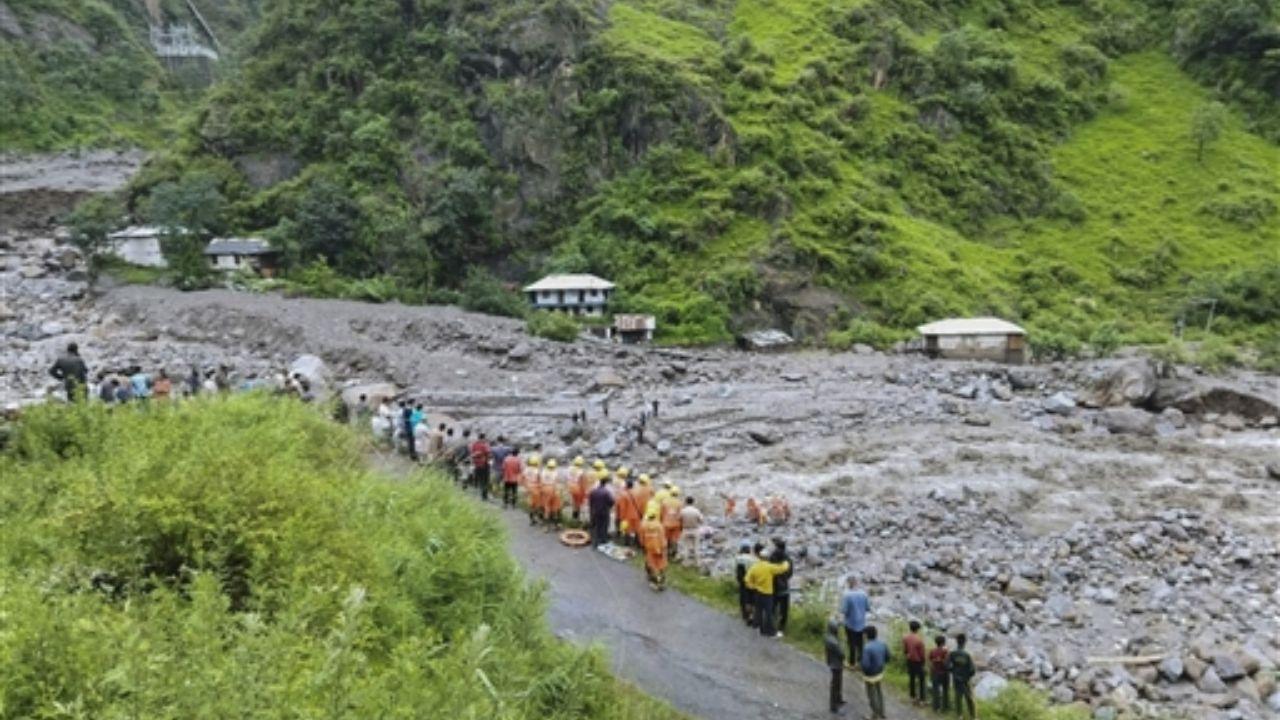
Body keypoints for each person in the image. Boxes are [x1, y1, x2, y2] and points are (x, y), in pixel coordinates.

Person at [745, 548, 790, 637]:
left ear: (759, 557)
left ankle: (757, 626)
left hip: (757, 592)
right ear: (767, 558)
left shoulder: (754, 567)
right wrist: (786, 562)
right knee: (768, 613)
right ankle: (769, 631)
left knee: (758, 610)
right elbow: (781, 569)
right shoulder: (769, 567)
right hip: (767, 593)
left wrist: (752, 587)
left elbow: (747, 579)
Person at [839, 576, 871, 668]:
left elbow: (844, 610)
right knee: (860, 644)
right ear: (856, 583)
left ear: (849, 583)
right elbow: (868, 608)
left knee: (851, 644)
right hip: (862, 623)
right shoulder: (864, 594)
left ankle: (852, 663)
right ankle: (860, 662)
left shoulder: (847, 595)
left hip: (850, 623)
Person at [861, 626, 890, 720]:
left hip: (870, 675)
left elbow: (865, 665)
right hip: (880, 672)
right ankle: (882, 712)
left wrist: (863, 671)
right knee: (879, 692)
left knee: (871, 695)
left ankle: (874, 715)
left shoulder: (867, 648)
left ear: (866, 635)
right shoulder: (883, 644)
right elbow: (888, 657)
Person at [948, 633, 977, 720]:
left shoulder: (952, 653)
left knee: (958, 697)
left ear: (956, 642)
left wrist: (953, 671)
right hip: (965, 680)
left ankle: (959, 715)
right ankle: (973, 717)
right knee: (969, 698)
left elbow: (947, 665)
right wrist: (967, 677)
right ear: (965, 642)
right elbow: (972, 670)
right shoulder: (967, 655)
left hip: (956, 679)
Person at [638, 509, 667, 591]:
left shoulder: (643, 526)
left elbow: (641, 538)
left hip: (649, 548)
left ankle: (654, 582)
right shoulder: (659, 526)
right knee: (661, 565)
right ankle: (662, 582)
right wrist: (663, 548)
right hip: (660, 548)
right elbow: (662, 537)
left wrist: (643, 546)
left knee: (652, 565)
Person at [825, 618, 847, 715]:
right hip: (836, 664)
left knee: (838, 683)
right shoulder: (833, 641)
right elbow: (841, 653)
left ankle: (839, 699)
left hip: (834, 663)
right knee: (835, 685)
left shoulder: (828, 636)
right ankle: (834, 706)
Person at [904, 620, 928, 706]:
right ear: (917, 629)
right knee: (921, 680)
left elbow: (905, 650)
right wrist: (924, 664)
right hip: (918, 662)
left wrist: (908, 655)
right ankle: (922, 699)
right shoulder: (919, 640)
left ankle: (912, 697)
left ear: (910, 628)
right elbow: (922, 655)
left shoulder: (905, 638)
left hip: (910, 661)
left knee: (912, 679)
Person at [587, 473, 614, 547]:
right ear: (605, 484)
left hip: (595, 511)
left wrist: (591, 509)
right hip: (604, 511)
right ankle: (603, 540)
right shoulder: (607, 492)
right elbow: (611, 502)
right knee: (604, 526)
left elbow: (590, 501)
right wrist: (608, 507)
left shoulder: (594, 491)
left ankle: (594, 540)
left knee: (596, 526)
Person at [772, 538, 793, 634]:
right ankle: (781, 628)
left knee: (773, 607)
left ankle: (772, 625)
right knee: (784, 610)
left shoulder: (772, 557)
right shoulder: (788, 559)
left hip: (773, 587)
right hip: (784, 587)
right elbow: (790, 574)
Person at [735, 541, 757, 627]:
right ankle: (753, 616)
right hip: (751, 582)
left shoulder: (738, 558)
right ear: (749, 549)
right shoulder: (753, 559)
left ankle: (745, 615)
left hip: (742, 582)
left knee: (743, 599)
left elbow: (735, 570)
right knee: (752, 599)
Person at [614, 478, 641, 546]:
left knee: (627, 530)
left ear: (626, 485)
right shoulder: (637, 493)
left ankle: (627, 543)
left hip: (627, 515)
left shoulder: (623, 495)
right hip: (636, 514)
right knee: (637, 530)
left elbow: (622, 508)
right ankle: (637, 543)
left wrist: (621, 517)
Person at [678, 497, 705, 564]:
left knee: (686, 547)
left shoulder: (683, 511)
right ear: (693, 502)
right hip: (695, 529)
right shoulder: (696, 511)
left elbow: (679, 519)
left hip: (686, 529)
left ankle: (686, 562)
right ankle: (698, 562)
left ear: (686, 502)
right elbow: (701, 521)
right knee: (696, 547)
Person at [659, 485, 683, 560]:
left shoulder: (664, 502)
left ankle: (665, 555)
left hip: (665, 523)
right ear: (678, 494)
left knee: (665, 539)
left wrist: (661, 521)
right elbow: (680, 515)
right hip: (676, 524)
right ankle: (673, 553)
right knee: (674, 540)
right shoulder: (680, 503)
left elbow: (661, 513)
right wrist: (681, 525)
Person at [929, 634, 950, 713]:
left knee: (935, 690)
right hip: (944, 673)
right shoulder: (945, 651)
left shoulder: (932, 651)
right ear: (943, 643)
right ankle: (945, 707)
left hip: (935, 672)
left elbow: (930, 659)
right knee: (945, 690)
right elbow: (947, 664)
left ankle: (935, 707)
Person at [470, 432, 492, 500]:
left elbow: (472, 452)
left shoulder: (474, 444)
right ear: (484, 438)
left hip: (476, 464)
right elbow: (488, 453)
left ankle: (479, 492)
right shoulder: (485, 445)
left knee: (479, 479)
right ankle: (484, 495)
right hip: (484, 464)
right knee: (486, 480)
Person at [541, 459, 563, 527]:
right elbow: (557, 482)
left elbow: (541, 481)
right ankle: (556, 525)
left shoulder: (543, 472)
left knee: (546, 508)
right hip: (553, 489)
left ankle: (546, 526)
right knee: (555, 508)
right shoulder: (555, 473)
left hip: (545, 489)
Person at [524, 454, 543, 524]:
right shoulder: (537, 471)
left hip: (528, 489)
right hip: (536, 489)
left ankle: (531, 520)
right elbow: (540, 480)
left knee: (531, 505)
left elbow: (524, 479)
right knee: (538, 505)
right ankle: (539, 518)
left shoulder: (526, 470)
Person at [567, 456, 587, 521]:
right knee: (578, 504)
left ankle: (573, 517)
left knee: (573, 503)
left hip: (570, 487)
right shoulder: (581, 471)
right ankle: (576, 518)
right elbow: (582, 482)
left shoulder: (569, 468)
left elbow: (567, 478)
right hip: (577, 488)